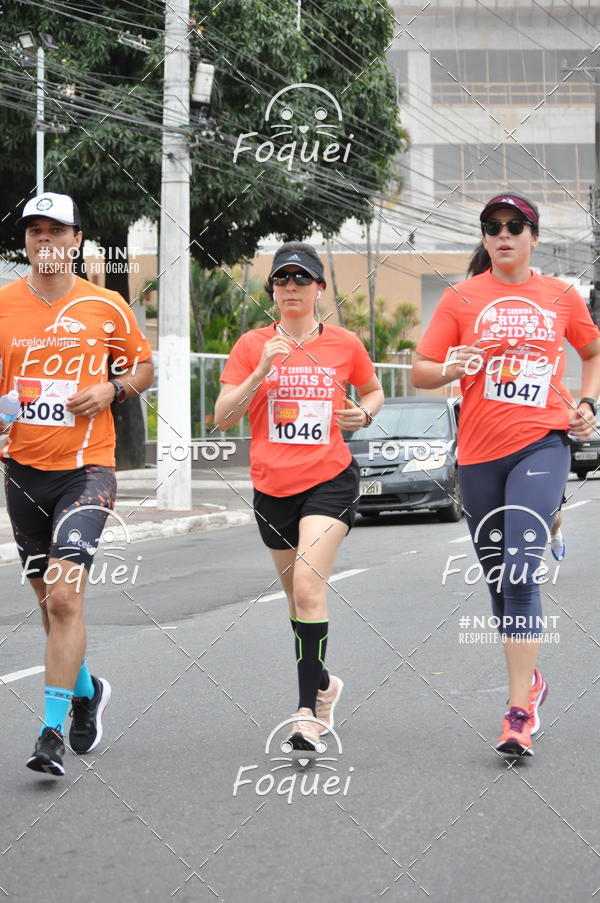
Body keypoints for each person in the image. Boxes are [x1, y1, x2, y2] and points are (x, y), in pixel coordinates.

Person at [413, 192, 600, 756]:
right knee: (499, 580)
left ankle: (519, 711)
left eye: (515, 225)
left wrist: (588, 405)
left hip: (542, 442)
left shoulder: (562, 296)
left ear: (533, 236)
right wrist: (452, 366)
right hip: (478, 455)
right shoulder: (461, 298)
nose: (503, 233)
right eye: (493, 226)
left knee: (520, 570)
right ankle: (534, 682)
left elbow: (592, 352)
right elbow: (422, 370)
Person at [0, 192, 154, 775]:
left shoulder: (106, 306)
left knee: (65, 597)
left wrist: (113, 390)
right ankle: (88, 691)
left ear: (77, 241)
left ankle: (49, 734)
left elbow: (143, 368)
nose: (44, 239)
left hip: (87, 471)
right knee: (50, 610)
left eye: (55, 230)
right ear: (26, 242)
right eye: (33, 230)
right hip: (22, 472)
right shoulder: (4, 305)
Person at [214, 241, 383, 751]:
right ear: (272, 289)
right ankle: (325, 684)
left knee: (309, 588)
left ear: (319, 289)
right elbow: (223, 418)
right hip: (272, 488)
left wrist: (366, 413)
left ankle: (307, 711)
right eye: (282, 281)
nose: (291, 288)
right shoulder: (252, 345)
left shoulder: (345, 344)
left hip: (330, 479)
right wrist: (261, 371)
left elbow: (372, 390)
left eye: (301, 280)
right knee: (296, 601)